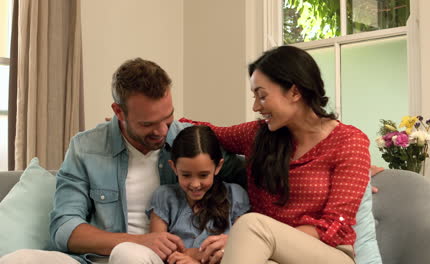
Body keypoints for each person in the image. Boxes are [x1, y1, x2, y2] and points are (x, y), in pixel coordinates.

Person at [0, 58, 244, 264]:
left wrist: (235, 240)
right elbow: (64, 228)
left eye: (167, 118)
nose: (161, 131)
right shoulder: (86, 147)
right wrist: (138, 240)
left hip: (159, 259)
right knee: (17, 259)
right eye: (147, 124)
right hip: (96, 258)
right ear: (119, 112)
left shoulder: (189, 141)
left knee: (129, 255)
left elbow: (254, 179)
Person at [183, 45, 371, 264]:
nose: (255, 107)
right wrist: (163, 124)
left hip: (329, 255)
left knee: (250, 225)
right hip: (268, 253)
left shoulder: (349, 142)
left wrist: (247, 239)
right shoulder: (257, 135)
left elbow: (334, 226)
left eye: (262, 96)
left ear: (294, 92)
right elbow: (208, 132)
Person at [148, 125, 249, 264]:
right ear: (173, 167)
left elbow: (243, 249)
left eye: (203, 175)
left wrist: (194, 256)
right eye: (186, 175)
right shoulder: (164, 197)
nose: (195, 184)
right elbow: (157, 249)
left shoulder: (235, 195)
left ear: (218, 167)